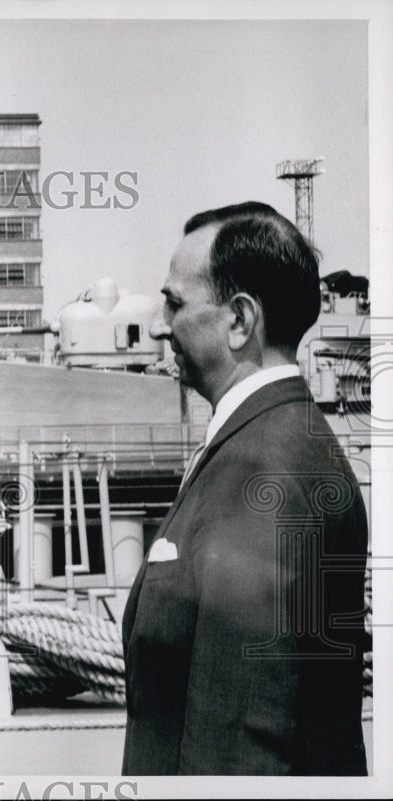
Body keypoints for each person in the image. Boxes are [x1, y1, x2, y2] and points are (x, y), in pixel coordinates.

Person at [121, 201, 369, 775]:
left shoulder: (263, 473)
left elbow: (239, 734)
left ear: (239, 320)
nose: (160, 324)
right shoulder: (279, 439)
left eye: (176, 304)